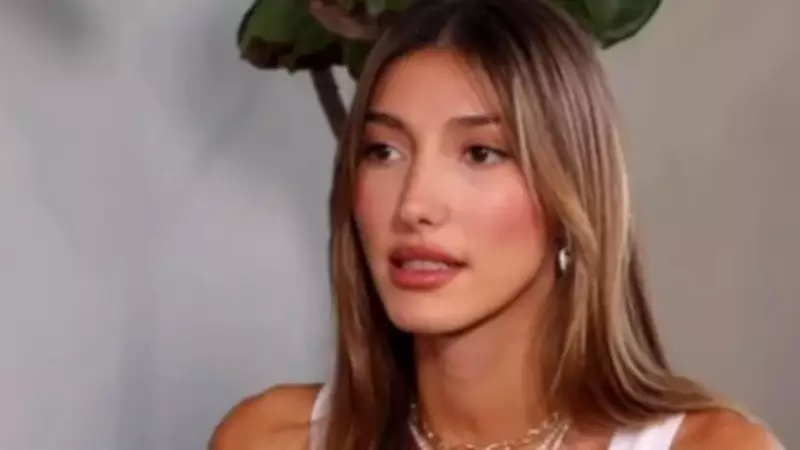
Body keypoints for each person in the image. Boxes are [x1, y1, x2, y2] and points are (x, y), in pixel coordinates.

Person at [210, 0, 783, 448]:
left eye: (481, 153)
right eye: (384, 151)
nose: (414, 205)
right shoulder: (267, 438)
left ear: (572, 194)